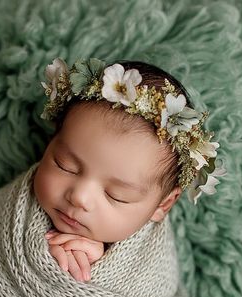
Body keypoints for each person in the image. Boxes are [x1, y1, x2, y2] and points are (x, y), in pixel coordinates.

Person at [33, 58, 225, 282]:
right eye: (65, 165)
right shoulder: (16, 208)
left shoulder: (149, 267)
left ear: (163, 204)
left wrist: (99, 269)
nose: (79, 197)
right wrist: (38, 254)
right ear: (50, 142)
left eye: (117, 195)